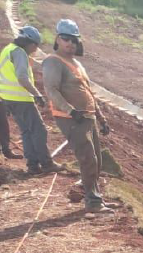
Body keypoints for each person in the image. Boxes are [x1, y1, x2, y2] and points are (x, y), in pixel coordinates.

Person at [42, 19, 112, 212]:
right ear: (57, 38)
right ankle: (93, 203)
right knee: (87, 159)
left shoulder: (76, 64)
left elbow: (87, 91)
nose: (70, 43)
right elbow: (51, 90)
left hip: (87, 117)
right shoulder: (53, 61)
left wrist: (101, 117)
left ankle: (96, 197)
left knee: (96, 159)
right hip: (72, 119)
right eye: (66, 39)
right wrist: (70, 111)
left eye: (74, 40)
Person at [1, 26, 60, 174]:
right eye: (36, 46)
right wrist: (37, 94)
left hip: (9, 98)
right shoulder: (19, 53)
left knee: (26, 131)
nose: (35, 49)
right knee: (39, 130)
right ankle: (46, 164)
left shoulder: (8, 49)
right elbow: (22, 77)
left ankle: (33, 166)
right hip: (21, 99)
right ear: (30, 43)